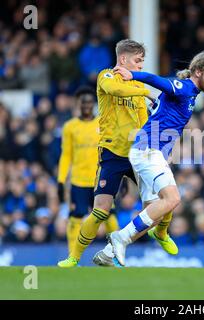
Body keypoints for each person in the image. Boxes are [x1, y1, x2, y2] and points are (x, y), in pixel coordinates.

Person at [58, 39, 174, 267]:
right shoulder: (106, 76)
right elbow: (116, 89)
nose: (141, 66)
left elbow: (144, 122)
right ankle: (74, 257)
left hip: (138, 155)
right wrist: (148, 93)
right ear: (123, 60)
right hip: (112, 153)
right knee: (100, 210)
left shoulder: (139, 89)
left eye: (142, 62)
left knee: (164, 198)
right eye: (138, 61)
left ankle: (160, 233)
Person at [108, 50, 204, 266]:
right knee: (172, 199)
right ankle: (121, 237)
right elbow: (155, 80)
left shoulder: (190, 96)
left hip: (148, 151)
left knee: (155, 214)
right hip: (147, 150)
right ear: (198, 72)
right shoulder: (186, 87)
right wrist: (132, 75)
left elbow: (161, 108)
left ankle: (107, 252)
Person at [57, 86, 120, 255]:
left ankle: (116, 254)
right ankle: (73, 257)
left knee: (110, 217)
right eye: (83, 102)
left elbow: (113, 150)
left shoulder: (103, 123)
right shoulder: (70, 127)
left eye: (89, 102)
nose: (86, 105)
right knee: (75, 217)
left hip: (101, 179)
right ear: (78, 104)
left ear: (94, 104)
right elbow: (66, 156)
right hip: (78, 180)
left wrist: (121, 175)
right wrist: (61, 180)